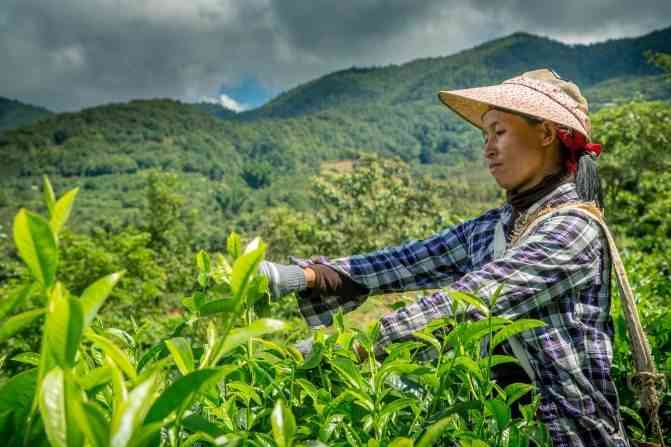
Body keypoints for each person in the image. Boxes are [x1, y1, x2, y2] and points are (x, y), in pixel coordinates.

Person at [259, 69, 631, 446]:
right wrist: (304, 275)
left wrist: (344, 348)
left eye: (499, 132)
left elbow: (471, 301)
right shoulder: (493, 227)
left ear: (547, 133)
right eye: (485, 135)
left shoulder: (573, 229)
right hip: (503, 435)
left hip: (571, 436)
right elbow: (406, 261)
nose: (488, 148)